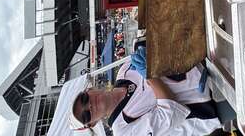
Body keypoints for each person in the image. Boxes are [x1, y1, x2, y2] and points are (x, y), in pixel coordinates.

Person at [62, 47, 221, 136]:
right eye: (85, 115)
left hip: (203, 63)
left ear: (89, 90)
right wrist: (149, 76)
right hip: (211, 102)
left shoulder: (124, 71)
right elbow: (170, 114)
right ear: (92, 123)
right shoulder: (122, 130)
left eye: (84, 100)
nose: (88, 106)